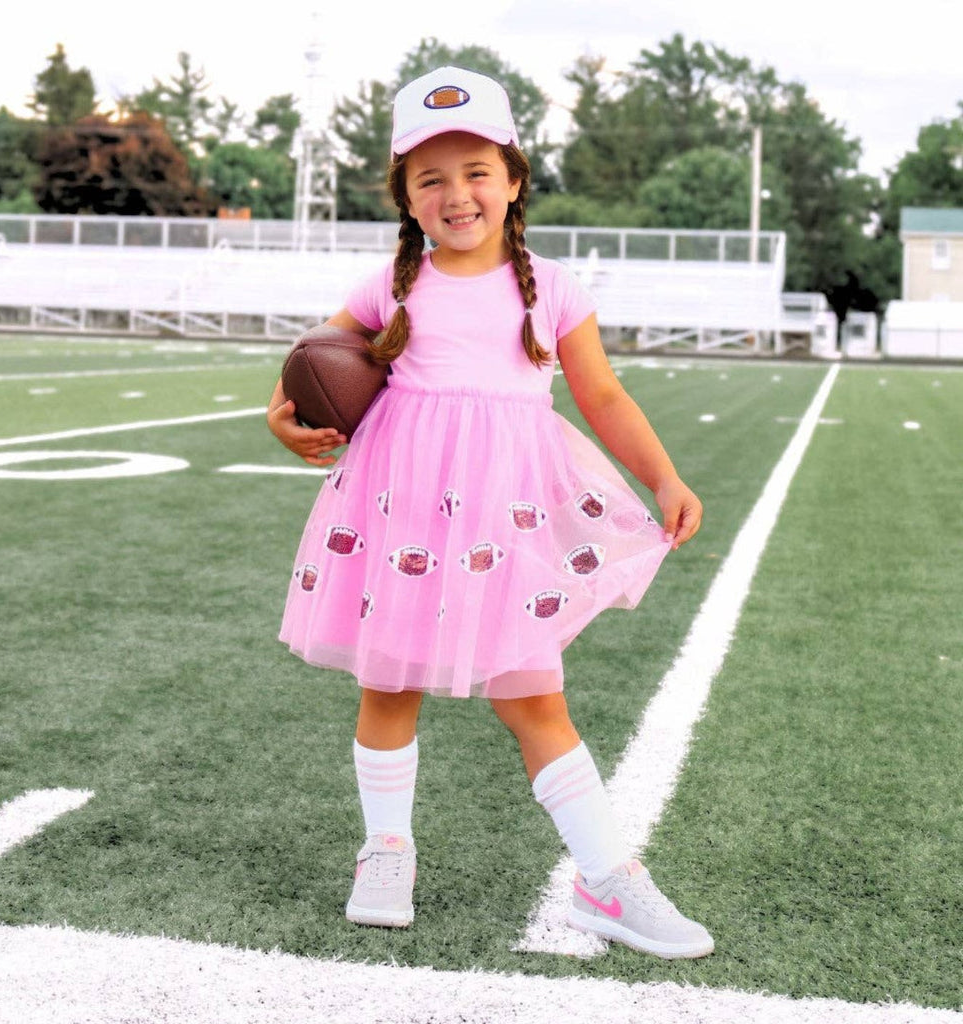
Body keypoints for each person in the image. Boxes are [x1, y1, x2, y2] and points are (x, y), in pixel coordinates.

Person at [266, 66, 712, 959]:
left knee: (536, 698)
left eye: (476, 169)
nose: (456, 192)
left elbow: (604, 396)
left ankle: (606, 880)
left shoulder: (550, 288)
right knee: (387, 686)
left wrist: (664, 476)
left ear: (513, 178)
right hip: (400, 520)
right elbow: (306, 369)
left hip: (501, 528)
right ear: (406, 196)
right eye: (430, 177)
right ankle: (386, 849)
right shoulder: (387, 287)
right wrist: (279, 416)